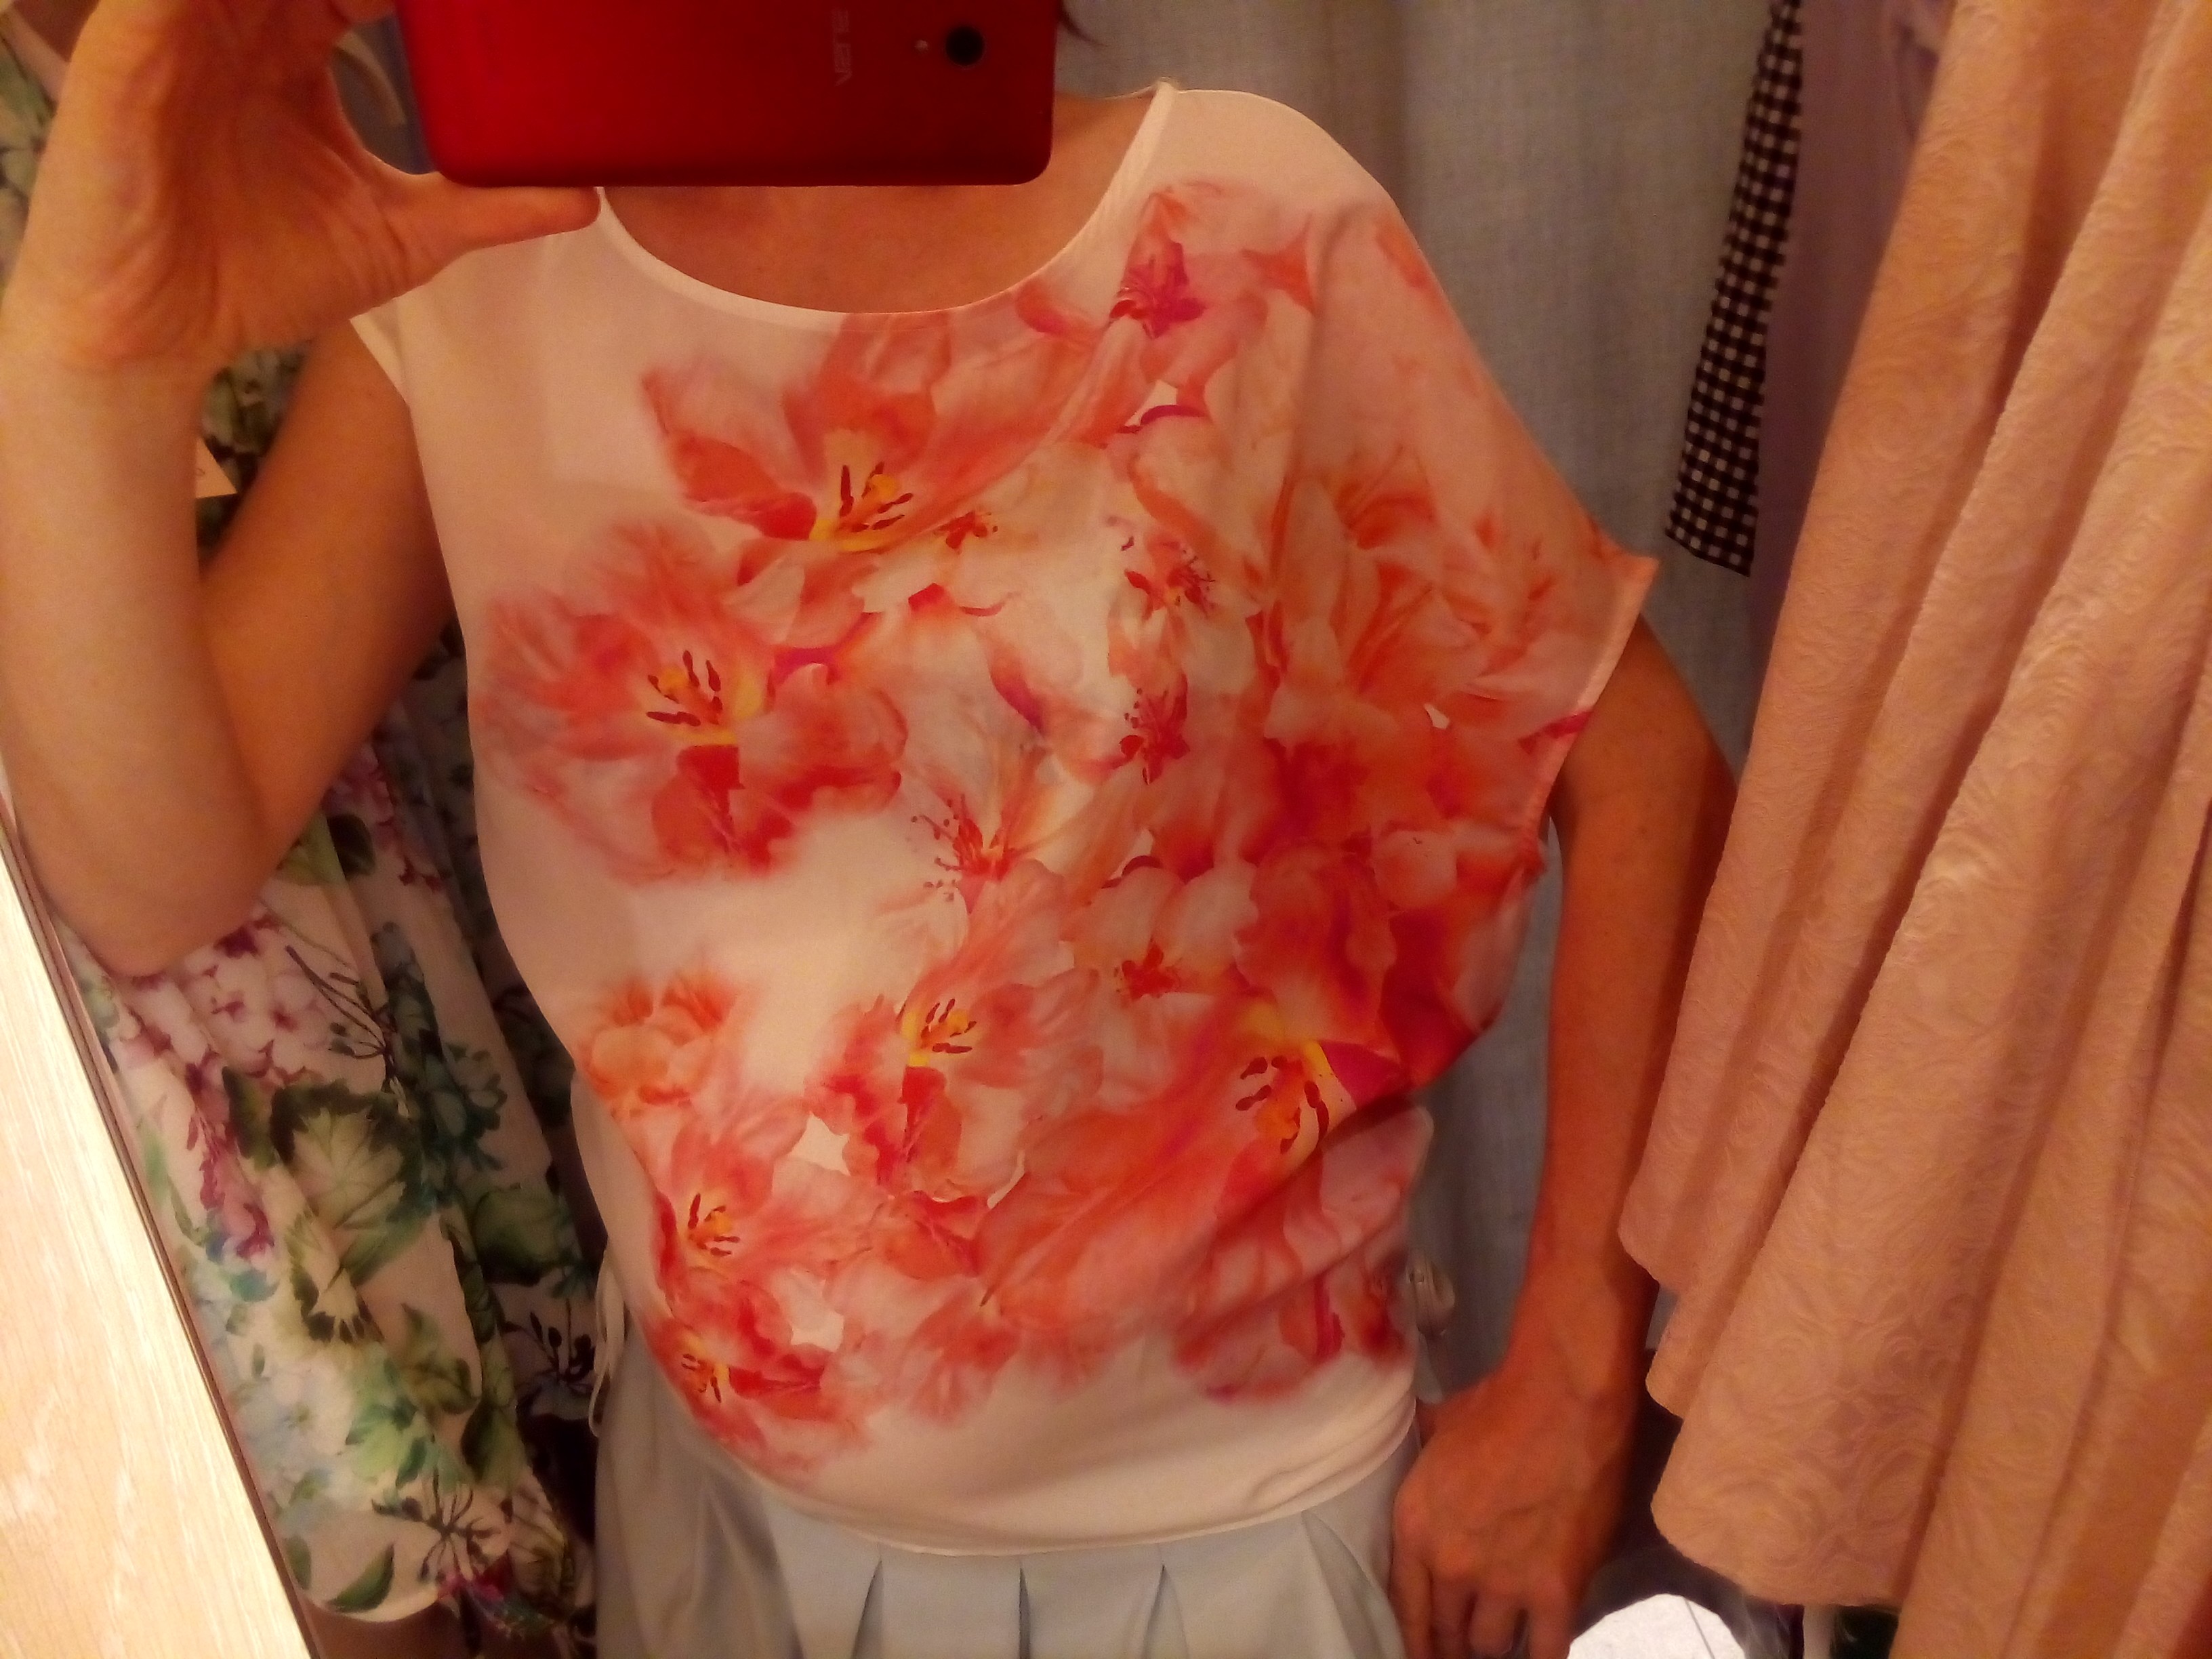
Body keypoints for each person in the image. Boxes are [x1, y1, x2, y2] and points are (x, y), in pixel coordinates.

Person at [0, 0, 1734, 1654]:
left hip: (1229, 1541)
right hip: (721, 1530)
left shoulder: (1235, 228)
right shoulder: (471, 272)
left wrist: (1579, 1377)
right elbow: (152, 882)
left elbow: (1636, 760)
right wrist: (95, 352)